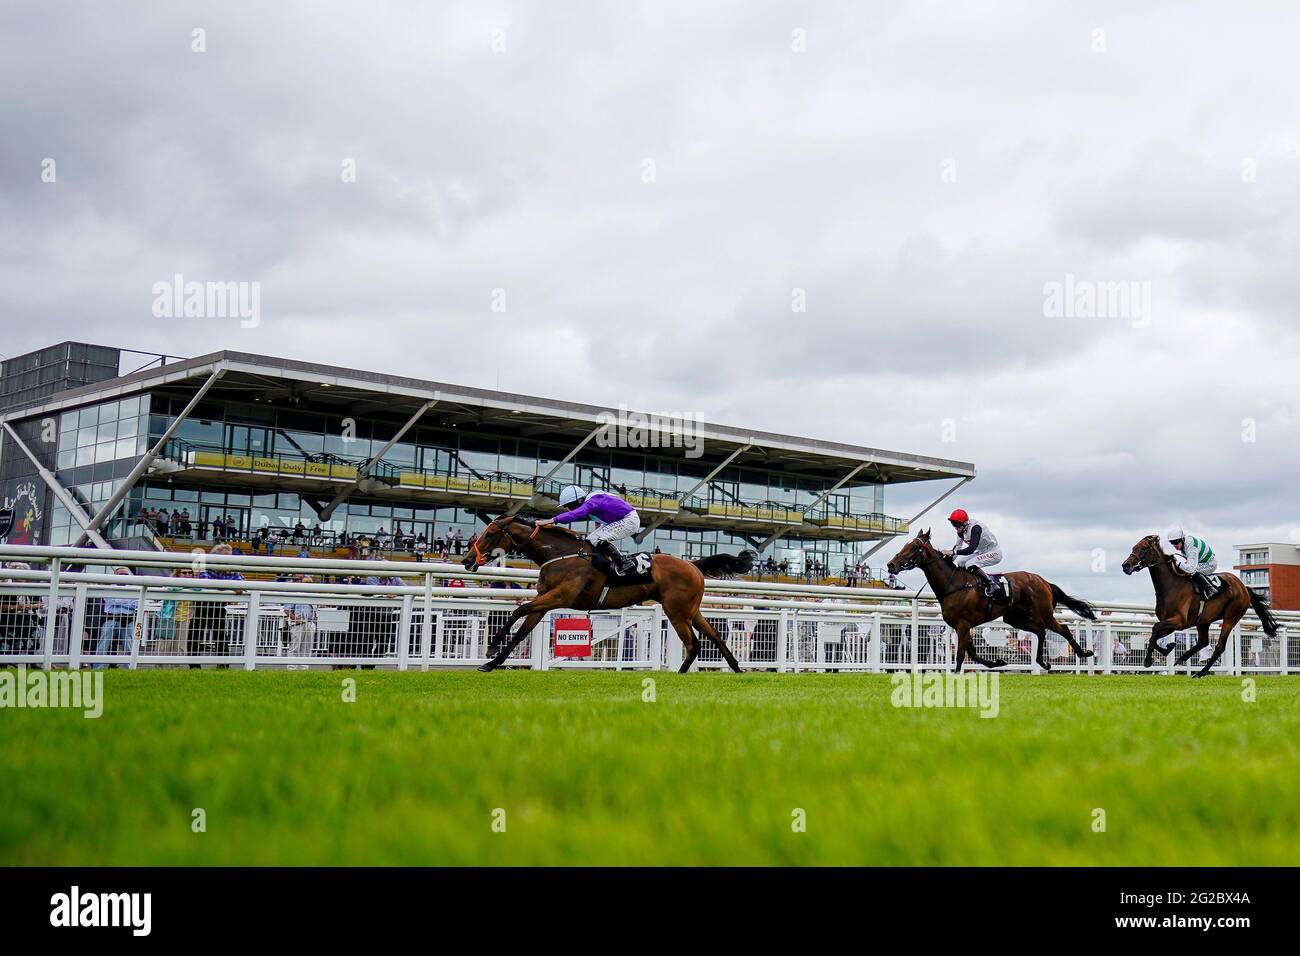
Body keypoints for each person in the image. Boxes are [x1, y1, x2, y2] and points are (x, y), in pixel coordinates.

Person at [535, 484, 642, 575]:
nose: (569, 509)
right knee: (590, 539)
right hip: (621, 519)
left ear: (580, 500)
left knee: (595, 539)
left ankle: (624, 562)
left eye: (570, 506)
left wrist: (549, 521)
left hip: (629, 520)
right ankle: (607, 562)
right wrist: (598, 529)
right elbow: (602, 513)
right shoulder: (592, 500)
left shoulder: (591, 501)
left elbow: (574, 515)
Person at [943, 508, 1002, 596]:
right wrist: (947, 560)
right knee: (961, 562)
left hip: (994, 552)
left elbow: (971, 549)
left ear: (964, 523)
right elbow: (958, 547)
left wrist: (953, 552)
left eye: (957, 524)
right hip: (981, 551)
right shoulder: (961, 531)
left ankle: (992, 583)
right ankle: (969, 582)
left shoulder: (975, 528)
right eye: (953, 524)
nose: (955, 527)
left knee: (970, 564)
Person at [1163, 523, 1219, 599]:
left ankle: (1210, 589)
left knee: (1191, 571)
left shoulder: (1191, 547)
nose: (1174, 545)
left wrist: (1177, 563)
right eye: (1172, 543)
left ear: (1182, 539)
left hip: (1210, 564)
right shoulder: (1185, 544)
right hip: (1201, 562)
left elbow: (1191, 568)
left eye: (1176, 542)